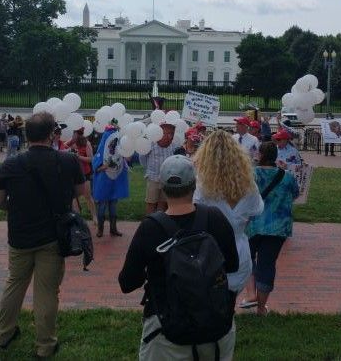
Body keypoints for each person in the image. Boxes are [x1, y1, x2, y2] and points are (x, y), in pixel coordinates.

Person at [119, 154, 239, 361]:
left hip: (167, 329)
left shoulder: (150, 228)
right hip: (215, 323)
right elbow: (232, 265)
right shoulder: (214, 218)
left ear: (163, 189)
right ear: (194, 186)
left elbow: (127, 282)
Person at [0, 112, 85, 357]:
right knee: (47, 291)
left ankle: (2, 334)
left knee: (14, 285)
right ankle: (45, 345)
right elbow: (81, 191)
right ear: (52, 134)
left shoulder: (11, 164)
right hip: (53, 236)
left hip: (20, 236)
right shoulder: (68, 161)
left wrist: (14, 208)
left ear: (25, 134)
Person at [193, 129, 263, 294]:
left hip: (209, 253)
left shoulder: (202, 187)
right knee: (228, 305)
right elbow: (256, 211)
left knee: (211, 306)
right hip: (240, 253)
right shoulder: (249, 186)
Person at [243, 142, 299, 316]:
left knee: (248, 258)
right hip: (277, 227)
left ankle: (250, 293)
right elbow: (295, 194)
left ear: (260, 155)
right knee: (267, 264)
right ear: (276, 156)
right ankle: (261, 308)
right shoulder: (287, 176)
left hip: (252, 224)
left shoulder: (250, 174)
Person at [92, 125, 129, 237]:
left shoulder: (118, 151)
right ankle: (100, 229)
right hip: (103, 183)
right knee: (102, 207)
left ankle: (113, 228)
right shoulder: (101, 151)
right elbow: (96, 167)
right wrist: (103, 166)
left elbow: (124, 162)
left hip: (114, 182)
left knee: (113, 207)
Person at [139, 123, 176, 214]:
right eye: (165, 133)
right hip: (153, 178)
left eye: (171, 133)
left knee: (163, 203)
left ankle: (159, 223)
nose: (168, 136)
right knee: (151, 202)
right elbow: (143, 157)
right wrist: (149, 169)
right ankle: (149, 224)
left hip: (166, 179)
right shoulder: (152, 143)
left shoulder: (173, 145)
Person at [66, 129, 97, 225]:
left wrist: (78, 157)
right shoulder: (71, 142)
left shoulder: (86, 143)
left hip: (85, 173)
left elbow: (91, 159)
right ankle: (78, 219)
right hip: (73, 173)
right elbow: (62, 149)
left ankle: (94, 216)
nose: (73, 135)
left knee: (87, 196)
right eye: (73, 133)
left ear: (78, 134)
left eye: (74, 133)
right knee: (74, 198)